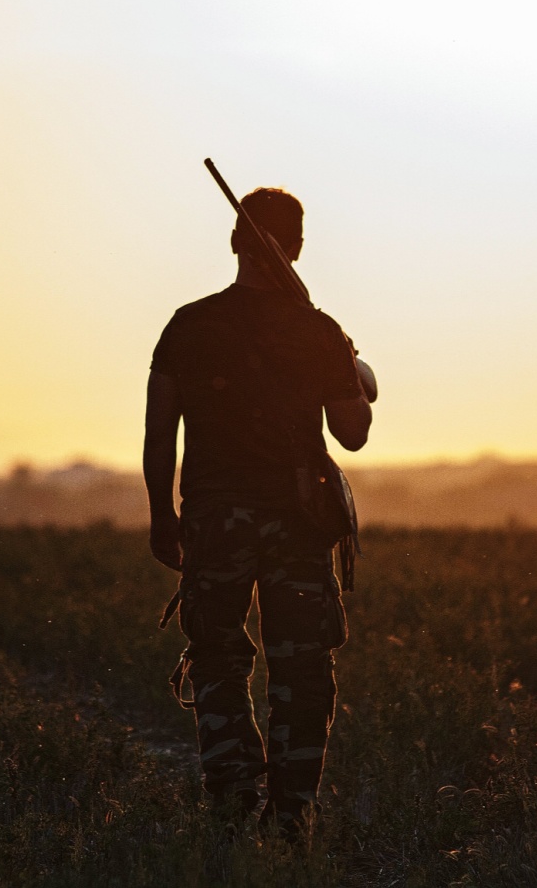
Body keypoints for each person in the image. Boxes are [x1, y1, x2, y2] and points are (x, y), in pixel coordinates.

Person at [143, 186, 374, 841]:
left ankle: (233, 798)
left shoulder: (188, 327)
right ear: (296, 247)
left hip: (212, 524)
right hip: (297, 524)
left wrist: (164, 518)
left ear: (235, 241)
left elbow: (161, 435)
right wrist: (349, 366)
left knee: (216, 660)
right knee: (301, 670)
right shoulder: (318, 332)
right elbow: (352, 433)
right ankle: (290, 816)